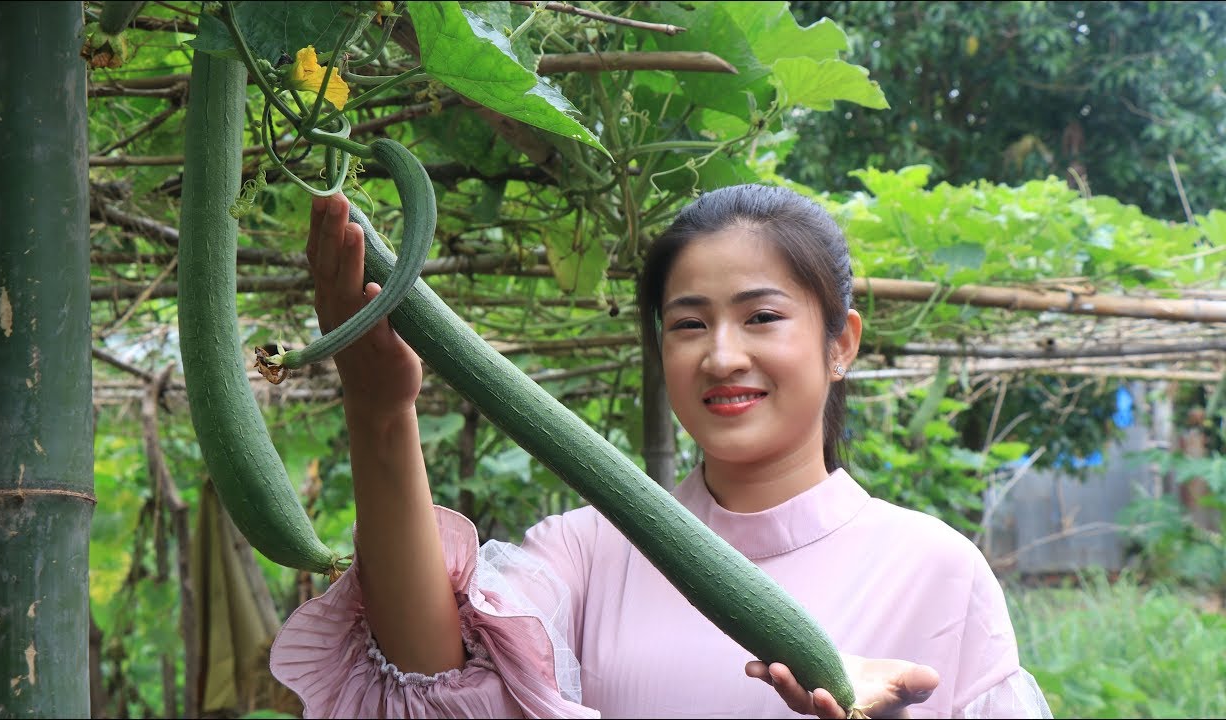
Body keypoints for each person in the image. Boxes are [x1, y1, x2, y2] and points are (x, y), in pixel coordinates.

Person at [270, 185, 1054, 719]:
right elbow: (425, 681)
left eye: (761, 317)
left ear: (840, 343)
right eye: (687, 324)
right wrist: (380, 411)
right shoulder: (584, 549)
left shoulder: (937, 571)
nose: (721, 356)